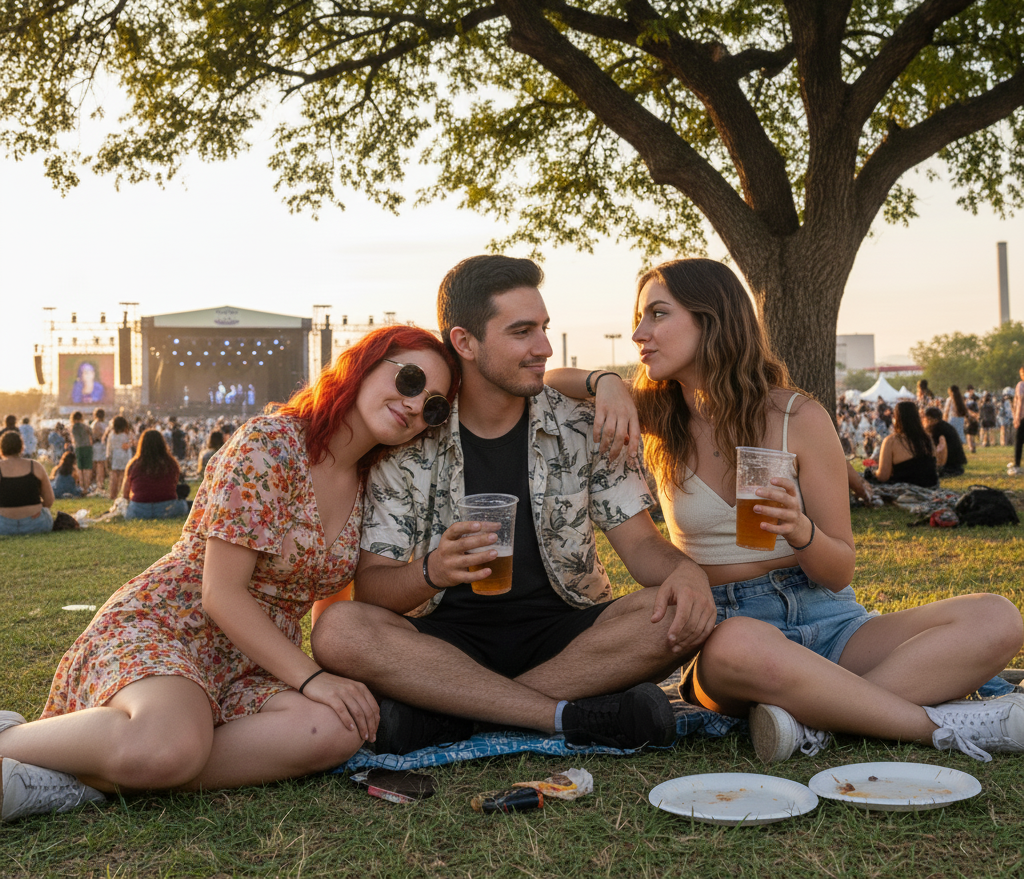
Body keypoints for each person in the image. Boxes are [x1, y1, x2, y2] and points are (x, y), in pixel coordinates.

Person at [549, 258, 1024, 766]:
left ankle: (810, 719)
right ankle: (933, 726)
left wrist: (801, 531)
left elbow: (838, 569)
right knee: (738, 644)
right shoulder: (658, 416)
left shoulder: (798, 418)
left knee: (997, 618)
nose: (639, 333)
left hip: (826, 616)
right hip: (727, 627)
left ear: (712, 320)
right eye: (639, 318)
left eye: (658, 315)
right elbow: (552, 381)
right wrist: (606, 380)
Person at [0, 325, 458, 823]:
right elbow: (220, 593)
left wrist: (338, 676)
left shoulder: (375, 484)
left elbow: (330, 602)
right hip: (169, 625)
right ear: (364, 365)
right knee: (167, 747)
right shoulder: (274, 443)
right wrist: (313, 679)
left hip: (252, 663)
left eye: (434, 406)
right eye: (411, 380)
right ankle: (12, 739)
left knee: (336, 730)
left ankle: (103, 771)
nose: (416, 406)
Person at [311, 255, 716, 757]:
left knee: (680, 610)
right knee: (338, 630)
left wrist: (686, 573)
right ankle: (562, 713)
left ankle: (456, 712)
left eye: (544, 328)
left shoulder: (581, 426)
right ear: (465, 342)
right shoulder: (411, 439)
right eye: (522, 331)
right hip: (443, 644)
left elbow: (640, 546)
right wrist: (434, 570)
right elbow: (371, 589)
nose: (543, 347)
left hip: (569, 635)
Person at [862, 402, 939, 488]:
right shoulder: (928, 439)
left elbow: (883, 477)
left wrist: (873, 472)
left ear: (896, 419)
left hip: (906, 491)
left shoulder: (891, 441)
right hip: (932, 487)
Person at [121, 430, 190, 520]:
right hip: (168, 509)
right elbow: (174, 486)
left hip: (138, 511)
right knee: (185, 504)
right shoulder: (171, 463)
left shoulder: (133, 464)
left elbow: (125, 494)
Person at [0, 431, 56, 536]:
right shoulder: (35, 466)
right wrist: (36, 509)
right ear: (22, 447)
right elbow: (49, 500)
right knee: (47, 513)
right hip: (36, 524)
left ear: (1, 449)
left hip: (3, 527)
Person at [923, 407, 967, 477]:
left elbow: (932, 448)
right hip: (956, 464)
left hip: (948, 463)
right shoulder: (945, 426)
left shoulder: (936, 429)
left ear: (931, 419)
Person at [105, 416, 135, 499]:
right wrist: (131, 444)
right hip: (124, 455)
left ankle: (112, 494)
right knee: (123, 475)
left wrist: (108, 456)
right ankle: (122, 494)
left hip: (115, 455)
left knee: (114, 475)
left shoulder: (112, 434)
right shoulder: (126, 434)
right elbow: (128, 445)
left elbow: (109, 446)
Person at [69, 412, 93, 492]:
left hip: (78, 448)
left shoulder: (72, 427)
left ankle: (81, 487)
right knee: (87, 468)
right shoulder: (85, 426)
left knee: (80, 468)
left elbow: (72, 439)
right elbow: (92, 433)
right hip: (87, 447)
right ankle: (87, 487)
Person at [1010, 367, 1024, 476]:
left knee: (1018, 442)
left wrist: (1017, 418)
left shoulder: (1021, 385)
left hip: (1022, 417)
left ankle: (1017, 465)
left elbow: (1020, 402)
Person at [90, 410, 108, 492]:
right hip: (101, 445)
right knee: (100, 465)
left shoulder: (95, 424)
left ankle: (98, 483)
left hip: (96, 445)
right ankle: (100, 483)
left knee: (98, 465)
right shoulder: (103, 424)